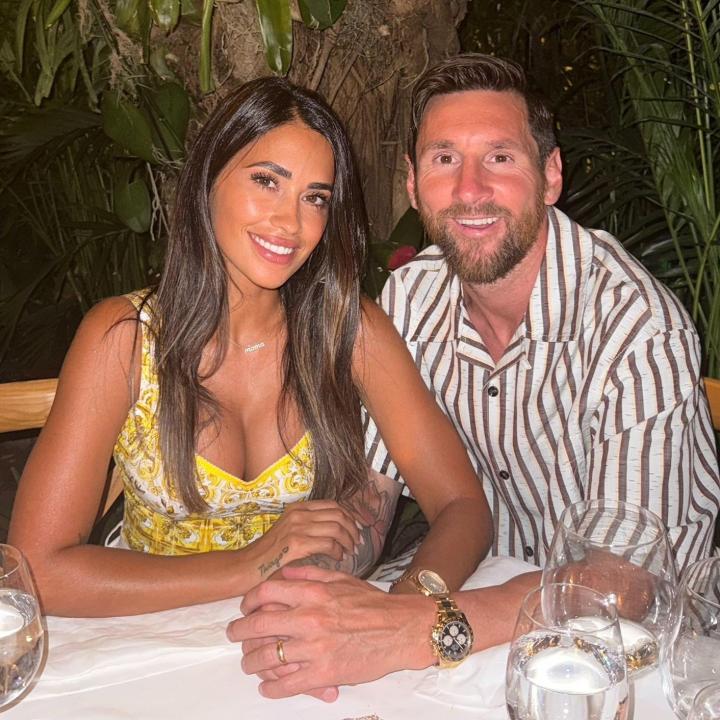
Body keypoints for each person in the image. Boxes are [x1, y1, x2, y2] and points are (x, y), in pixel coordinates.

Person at [229, 54, 720, 701]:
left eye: (500, 158)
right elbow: (373, 490)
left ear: (550, 175)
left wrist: (410, 627)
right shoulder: (412, 297)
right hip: (487, 616)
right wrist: (317, 581)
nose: (469, 188)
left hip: (643, 656)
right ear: (412, 184)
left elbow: (619, 583)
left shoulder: (636, 325)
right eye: (444, 159)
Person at [8, 77, 492, 617]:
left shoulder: (347, 330)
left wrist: (400, 616)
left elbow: (463, 506)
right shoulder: (125, 338)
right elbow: (38, 569)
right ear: (209, 179)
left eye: (315, 198)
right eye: (267, 181)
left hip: (294, 630)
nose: (291, 223)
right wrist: (250, 564)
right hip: (146, 627)